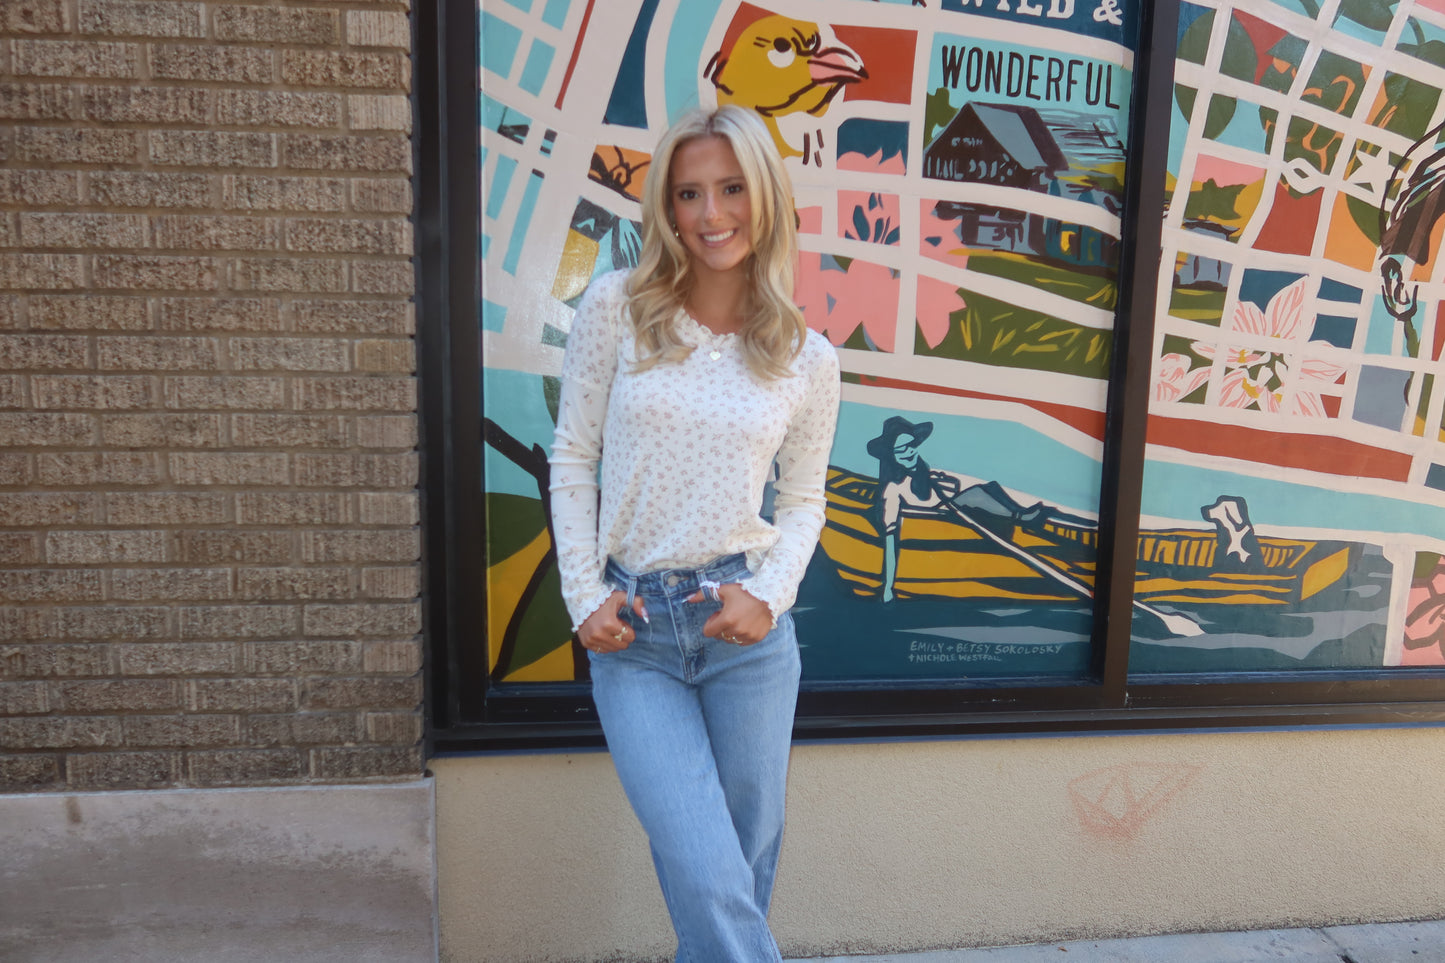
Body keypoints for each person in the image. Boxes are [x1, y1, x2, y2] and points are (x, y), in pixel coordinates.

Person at [548, 105, 840, 961]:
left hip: (744, 633)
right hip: (633, 630)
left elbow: (805, 500)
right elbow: (574, 459)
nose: (711, 214)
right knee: (710, 874)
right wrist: (583, 595)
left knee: (738, 880)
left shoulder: (804, 358)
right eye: (688, 194)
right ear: (666, 210)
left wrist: (770, 595)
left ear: (766, 196)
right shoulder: (616, 308)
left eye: (731, 188)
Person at [866, 415, 1091, 602]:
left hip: (955, 517)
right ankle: (1021, 517)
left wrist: (940, 481)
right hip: (945, 524)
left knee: (987, 489)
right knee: (977, 495)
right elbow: (890, 536)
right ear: (891, 457)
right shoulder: (893, 490)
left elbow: (948, 491)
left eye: (912, 446)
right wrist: (888, 588)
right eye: (901, 449)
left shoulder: (924, 475)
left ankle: (1022, 517)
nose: (910, 452)